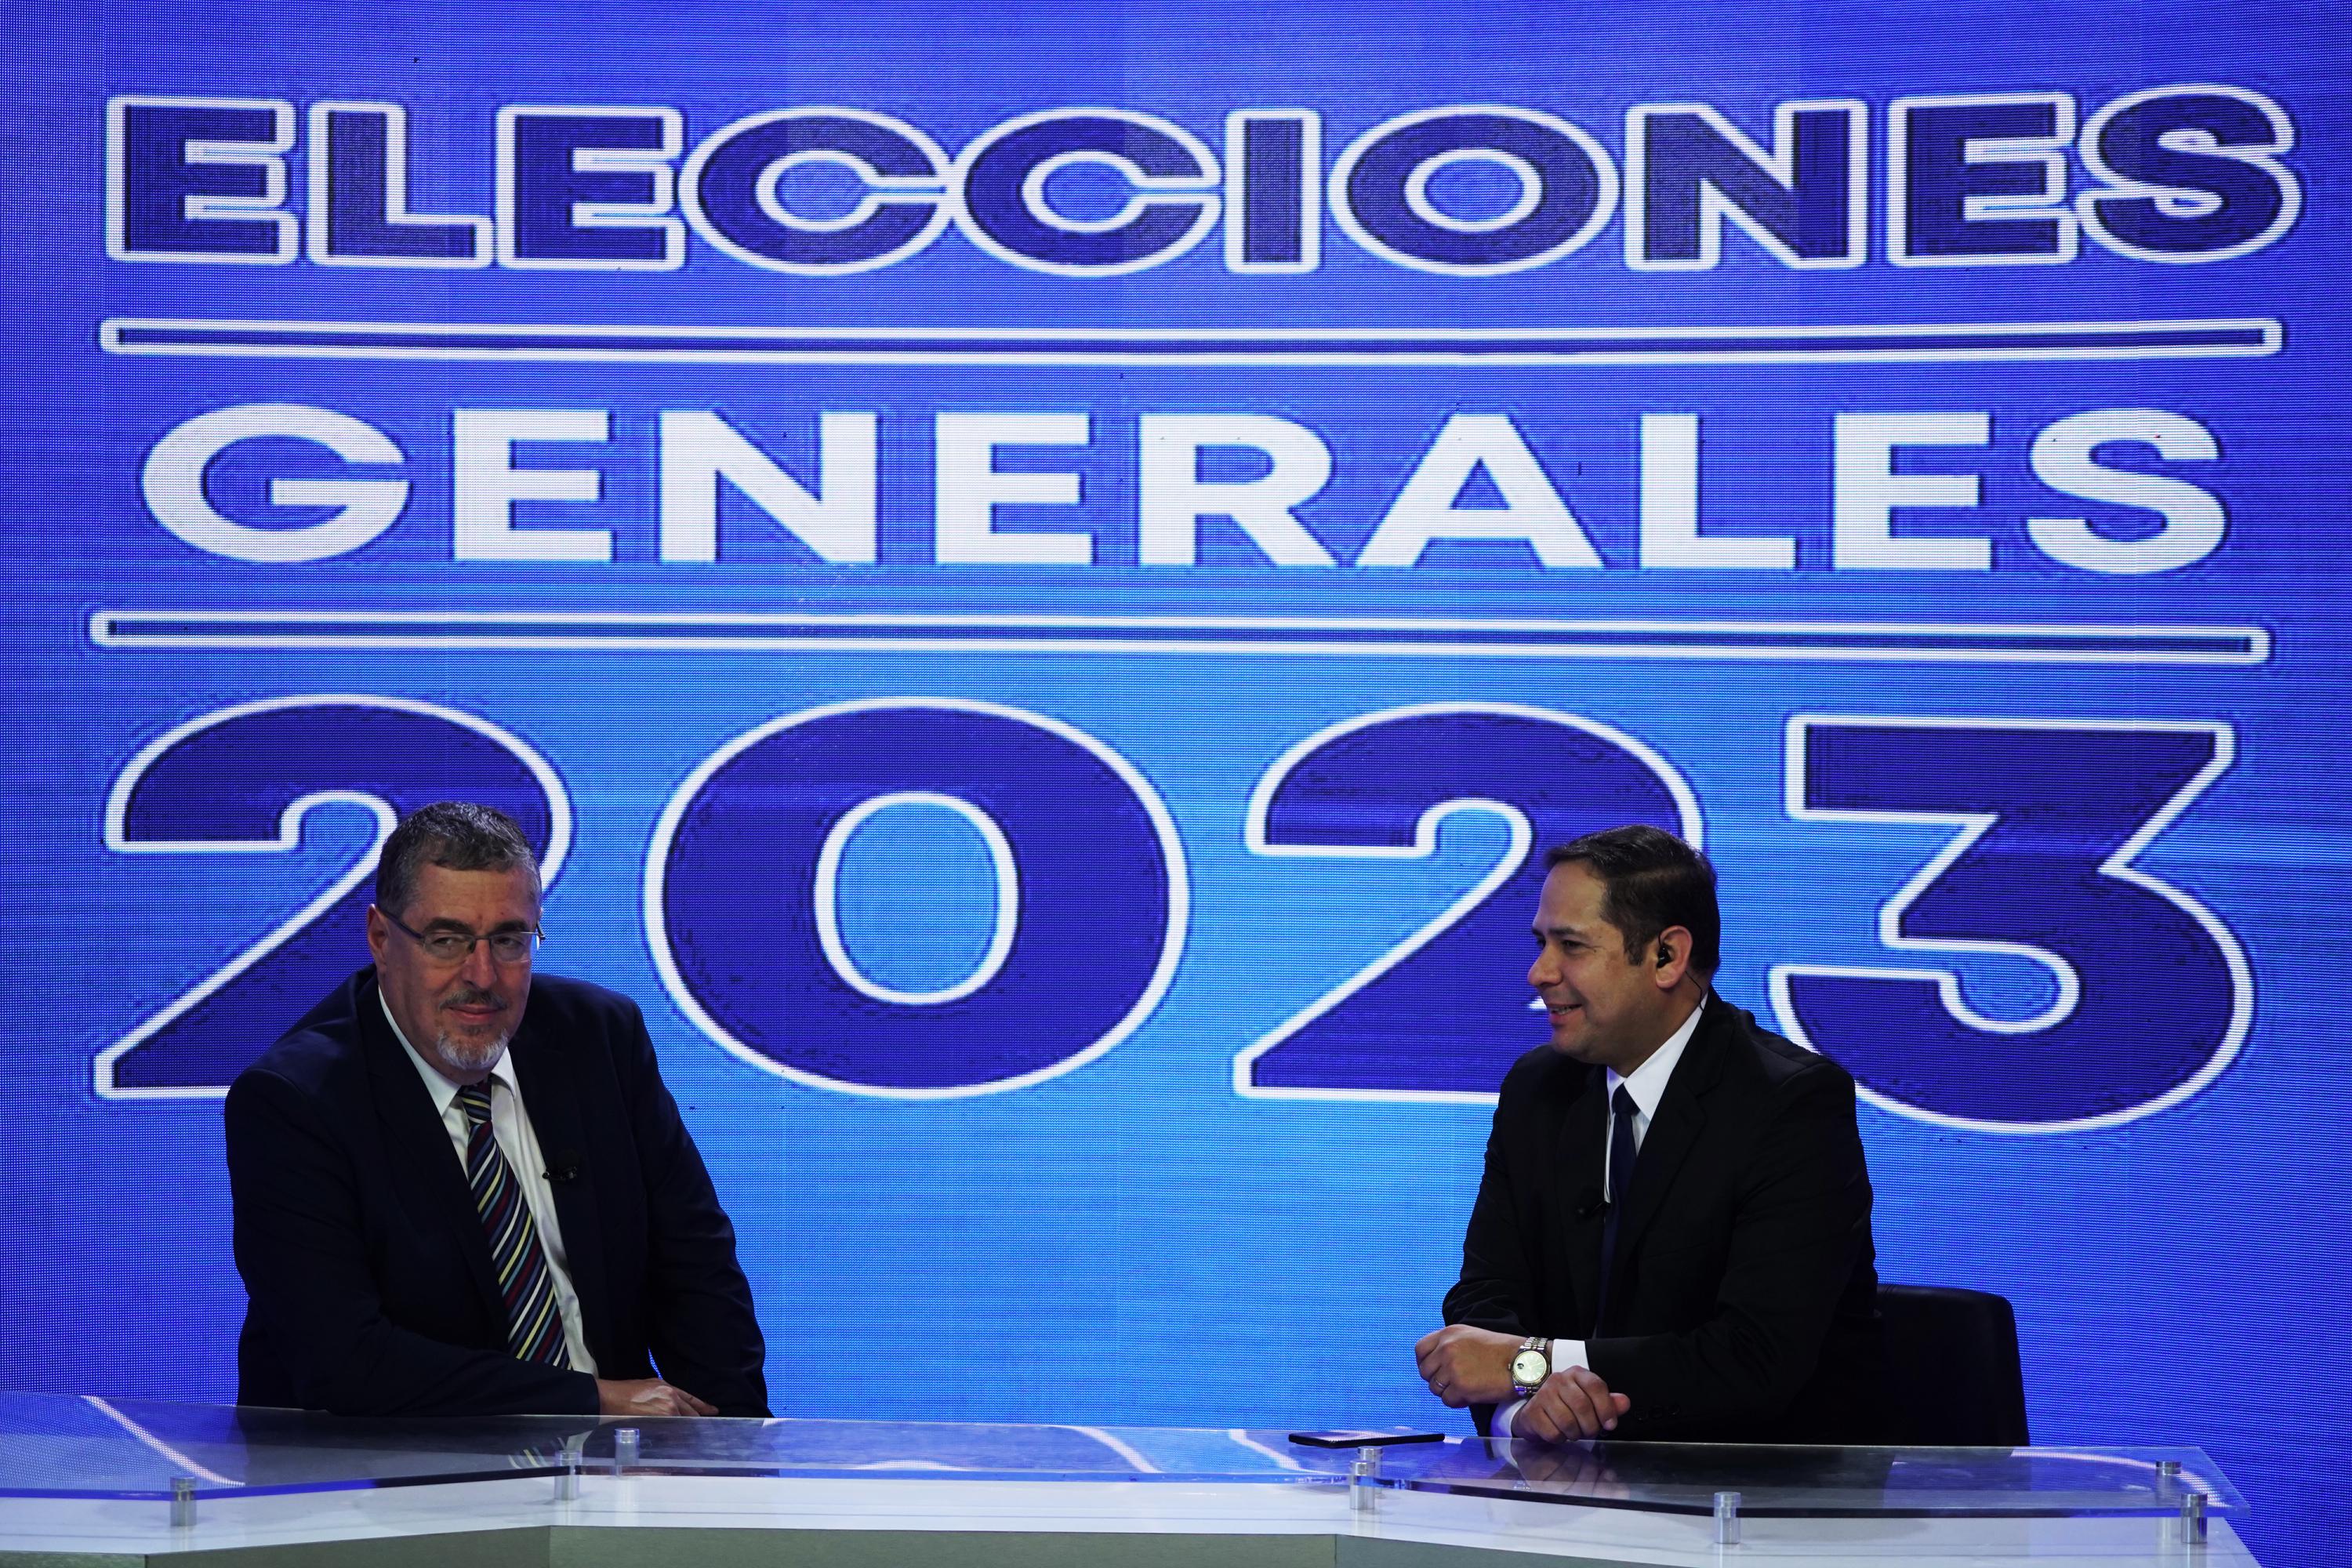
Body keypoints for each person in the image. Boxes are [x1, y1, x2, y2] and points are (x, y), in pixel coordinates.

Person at [225, 802, 768, 1419]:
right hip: (382, 1483)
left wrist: (735, 1453)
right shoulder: (295, 1102)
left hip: (615, 1475)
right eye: (447, 939)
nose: (481, 976)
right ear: (381, 938)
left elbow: (695, 1266)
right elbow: (345, 1362)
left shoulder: (597, 1038)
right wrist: (590, 1403)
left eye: (509, 940)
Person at [1414, 825, 1880, 1445]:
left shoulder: (1788, 1104)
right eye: (1541, 943)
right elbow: (1488, 1294)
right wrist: (1525, 1409)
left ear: (1667, 956)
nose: (1539, 972)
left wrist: (1528, 1367)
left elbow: (1752, 1359)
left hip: (1752, 1508)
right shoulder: (1538, 1089)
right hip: (1559, 1497)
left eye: (1571, 946)